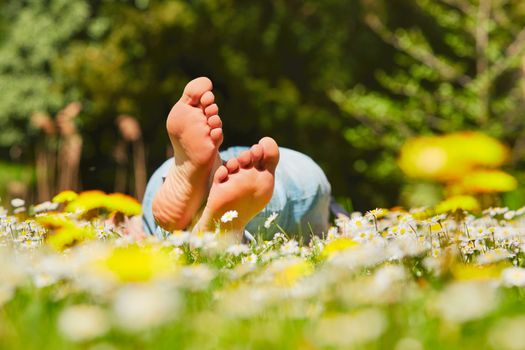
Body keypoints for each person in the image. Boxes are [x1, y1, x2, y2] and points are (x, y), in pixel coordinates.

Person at [142, 77, 332, 241]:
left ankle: (203, 205)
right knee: (305, 180)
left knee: (163, 231)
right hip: (271, 172)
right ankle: (217, 230)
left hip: (162, 180)